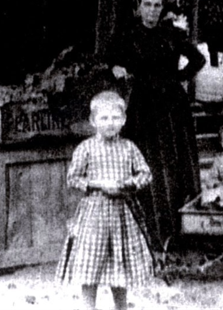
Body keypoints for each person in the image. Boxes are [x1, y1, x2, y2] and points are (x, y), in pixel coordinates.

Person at [105, 0, 206, 249]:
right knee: (148, 166)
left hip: (172, 108)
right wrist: (116, 68)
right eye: (147, 5)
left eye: (157, 5)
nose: (152, 11)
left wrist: (178, 79)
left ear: (163, 8)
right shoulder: (128, 35)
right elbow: (110, 59)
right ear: (138, 7)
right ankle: (150, 233)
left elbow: (197, 59)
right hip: (143, 109)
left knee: (175, 165)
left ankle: (178, 231)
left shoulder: (172, 34)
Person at [57, 91, 154, 310]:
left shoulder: (129, 148)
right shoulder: (86, 148)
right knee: (90, 263)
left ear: (123, 120)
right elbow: (73, 178)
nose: (110, 123)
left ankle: (120, 307)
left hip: (122, 213)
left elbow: (145, 174)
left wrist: (127, 184)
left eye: (115, 118)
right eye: (104, 118)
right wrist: (99, 184)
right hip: (94, 214)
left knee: (119, 263)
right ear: (93, 121)